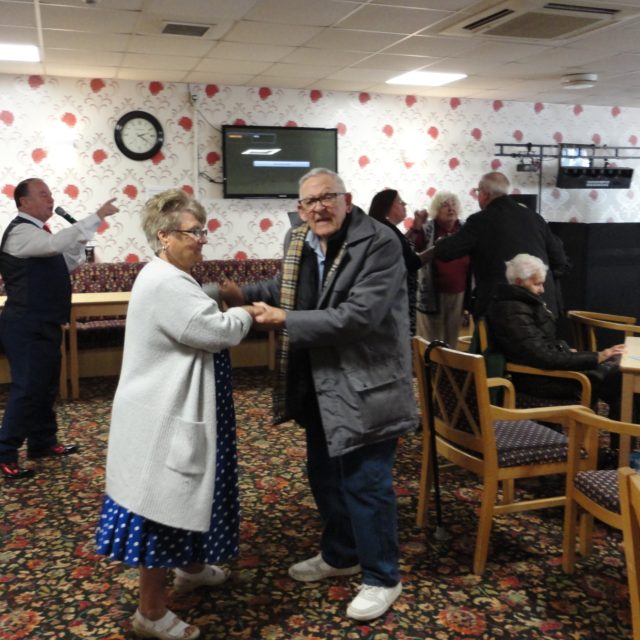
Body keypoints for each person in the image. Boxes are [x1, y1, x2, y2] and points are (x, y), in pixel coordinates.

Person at [221, 168, 417, 622]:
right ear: (299, 208)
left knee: (366, 485)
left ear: (347, 199)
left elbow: (359, 316)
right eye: (309, 202)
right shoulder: (300, 241)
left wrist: (283, 321)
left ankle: (382, 576)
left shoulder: (381, 242)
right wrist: (244, 293)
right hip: (319, 383)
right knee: (325, 477)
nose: (318, 208)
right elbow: (287, 290)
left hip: (369, 386)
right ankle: (341, 553)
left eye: (328, 197)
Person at [95, 189, 256, 640]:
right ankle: (150, 612)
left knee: (191, 492)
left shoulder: (171, 276)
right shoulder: (165, 281)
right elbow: (211, 329)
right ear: (164, 236)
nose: (202, 240)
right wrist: (243, 311)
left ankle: (191, 567)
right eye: (193, 232)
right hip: (163, 418)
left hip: (179, 408)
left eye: (203, 230)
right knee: (162, 506)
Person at [0, 178, 118, 480]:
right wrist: (96, 217)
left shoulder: (40, 234)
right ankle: (5, 452)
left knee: (46, 386)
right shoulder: (21, 232)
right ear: (24, 203)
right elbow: (53, 246)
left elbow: (64, 263)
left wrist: (79, 240)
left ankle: (42, 442)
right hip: (25, 323)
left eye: (51, 194)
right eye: (43, 195)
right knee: (27, 389)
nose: (50, 199)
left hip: (45, 321)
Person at [486, 253, 624, 413]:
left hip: (545, 372)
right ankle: (622, 433)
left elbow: (540, 346)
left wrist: (571, 351)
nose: (542, 289)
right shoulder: (512, 311)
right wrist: (597, 356)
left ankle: (622, 431)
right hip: (538, 379)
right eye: (537, 284)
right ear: (518, 282)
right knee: (619, 380)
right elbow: (541, 355)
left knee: (617, 375)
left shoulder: (519, 304)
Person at [434, 172, 569, 320]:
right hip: (543, 307)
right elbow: (560, 261)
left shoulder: (480, 221)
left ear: (485, 194)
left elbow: (446, 251)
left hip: (502, 312)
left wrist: (440, 242)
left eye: (478, 192)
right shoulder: (535, 218)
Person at [405, 191, 470, 347]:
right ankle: (429, 369)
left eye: (453, 204)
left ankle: (447, 370)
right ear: (436, 210)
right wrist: (416, 226)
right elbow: (407, 249)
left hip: (459, 292)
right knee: (429, 340)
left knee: (451, 338)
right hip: (431, 293)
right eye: (445, 205)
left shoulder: (465, 229)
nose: (450, 208)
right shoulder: (426, 229)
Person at [368, 189, 427, 335]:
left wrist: (416, 227)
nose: (404, 204)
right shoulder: (386, 231)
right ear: (388, 208)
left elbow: (405, 247)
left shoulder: (384, 228)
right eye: (400, 202)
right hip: (398, 300)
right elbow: (411, 262)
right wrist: (438, 249)